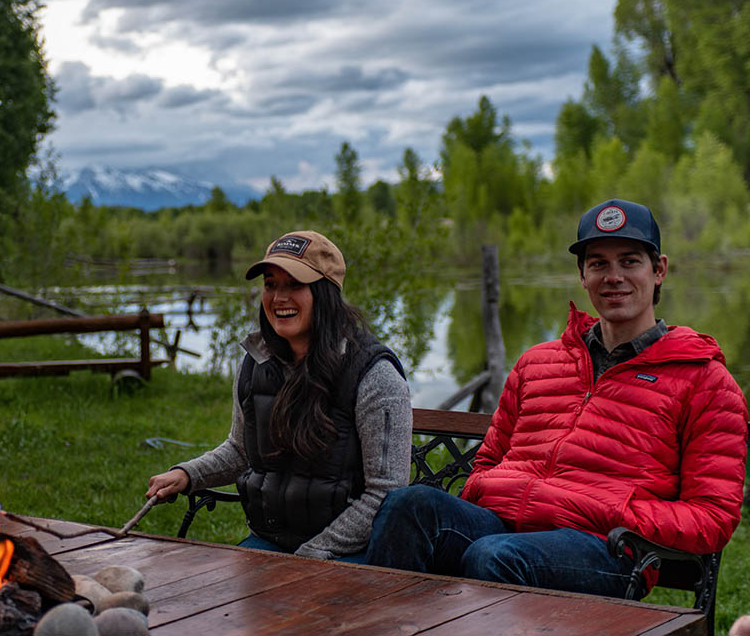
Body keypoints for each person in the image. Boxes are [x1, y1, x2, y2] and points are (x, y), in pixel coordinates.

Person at [365, 199, 748, 598]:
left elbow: (712, 517)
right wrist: (492, 488)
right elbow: (488, 459)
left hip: (604, 549)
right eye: (598, 263)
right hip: (502, 525)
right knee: (409, 507)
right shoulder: (538, 362)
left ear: (659, 270)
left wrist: (614, 511)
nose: (613, 276)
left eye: (630, 261)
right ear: (582, 275)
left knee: (495, 555)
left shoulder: (705, 381)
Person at [146, 230, 412, 561]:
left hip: (351, 555)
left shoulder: (373, 375)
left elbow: (385, 493)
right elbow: (241, 451)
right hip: (271, 545)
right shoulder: (255, 362)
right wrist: (187, 474)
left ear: (325, 292)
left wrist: (312, 554)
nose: (278, 297)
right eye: (271, 284)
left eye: (295, 285)